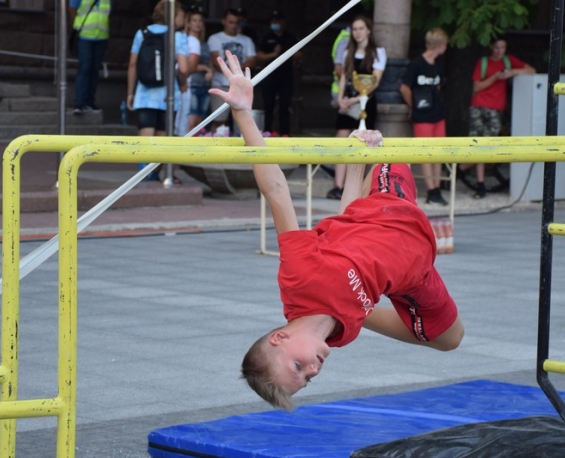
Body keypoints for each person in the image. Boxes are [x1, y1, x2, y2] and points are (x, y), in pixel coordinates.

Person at [211, 51, 463, 410]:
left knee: (385, 151)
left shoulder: (299, 279)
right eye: (308, 379)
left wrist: (242, 113)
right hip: (413, 274)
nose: (314, 369)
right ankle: (369, 300)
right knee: (450, 339)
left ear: (280, 337)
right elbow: (345, 230)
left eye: (298, 367)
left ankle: (373, 148)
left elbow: (277, 191)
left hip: (390, 205)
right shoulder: (342, 334)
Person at [459, 36, 534, 199]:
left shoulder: (508, 61)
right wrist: (495, 77)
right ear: (491, 47)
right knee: (477, 144)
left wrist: (513, 72)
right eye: (497, 48)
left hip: (496, 109)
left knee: (487, 146)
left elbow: (531, 70)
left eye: (503, 48)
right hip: (479, 106)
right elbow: (477, 86)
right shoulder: (483, 62)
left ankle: (461, 168)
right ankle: (480, 183)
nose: (499, 51)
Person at [126, 0, 188, 180]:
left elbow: (132, 64)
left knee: (145, 137)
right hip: (168, 96)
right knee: (163, 139)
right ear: (174, 16)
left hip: (144, 95)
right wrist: (183, 83)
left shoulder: (142, 33)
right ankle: (156, 175)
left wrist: (131, 92)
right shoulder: (177, 36)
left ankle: (143, 176)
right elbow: (183, 68)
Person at [328, 15, 386, 200]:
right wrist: (341, 99)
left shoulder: (378, 52)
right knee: (342, 139)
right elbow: (343, 77)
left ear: (368, 30)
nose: (358, 32)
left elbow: (374, 81)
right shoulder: (348, 52)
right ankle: (338, 185)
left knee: (363, 141)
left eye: (361, 28)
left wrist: (355, 100)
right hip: (348, 100)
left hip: (365, 101)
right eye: (355, 29)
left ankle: (360, 186)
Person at [399, 28, 449, 206]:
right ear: (440, 44)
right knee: (427, 152)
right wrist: (415, 105)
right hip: (422, 115)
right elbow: (404, 87)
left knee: (439, 152)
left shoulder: (438, 63)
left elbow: (438, 85)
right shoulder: (417, 64)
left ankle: (437, 186)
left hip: (437, 113)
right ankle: (431, 189)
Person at [208, 8, 257, 129]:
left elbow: (252, 61)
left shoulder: (247, 40)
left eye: (236, 22)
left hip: (242, 86)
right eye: (231, 22)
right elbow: (216, 61)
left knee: (243, 122)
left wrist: (235, 71)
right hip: (221, 84)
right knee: (219, 120)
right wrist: (237, 70)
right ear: (223, 21)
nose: (234, 25)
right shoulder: (215, 38)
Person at [257, 11, 299, 136]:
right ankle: (267, 132)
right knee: (268, 105)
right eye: (273, 20)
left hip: (286, 76)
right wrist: (274, 55)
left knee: (284, 106)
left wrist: (294, 56)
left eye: (278, 20)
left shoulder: (290, 37)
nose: (275, 23)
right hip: (269, 76)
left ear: (283, 22)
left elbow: (299, 54)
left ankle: (285, 133)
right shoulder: (266, 37)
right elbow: (259, 56)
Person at [68, 0, 111, 115]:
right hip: (85, 36)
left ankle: (90, 102)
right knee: (85, 67)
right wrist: (77, 25)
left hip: (101, 36)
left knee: (94, 69)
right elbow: (72, 9)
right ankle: (79, 103)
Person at [186, 7, 213, 134]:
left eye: (200, 20)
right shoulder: (185, 41)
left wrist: (210, 71)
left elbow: (210, 62)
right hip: (191, 85)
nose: (197, 23)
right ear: (189, 23)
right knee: (191, 121)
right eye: (194, 20)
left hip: (205, 85)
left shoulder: (204, 44)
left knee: (201, 123)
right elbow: (186, 65)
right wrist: (205, 68)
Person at [175, 8, 200, 136]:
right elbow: (187, 68)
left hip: (174, 84)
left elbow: (188, 67)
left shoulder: (188, 40)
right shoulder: (181, 38)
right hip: (181, 85)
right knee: (180, 125)